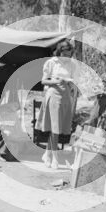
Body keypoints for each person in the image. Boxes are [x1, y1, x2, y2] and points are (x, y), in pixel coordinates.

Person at [36, 39, 75, 169]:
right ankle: (55, 158)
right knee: (55, 128)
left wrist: (70, 82)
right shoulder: (51, 63)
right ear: (60, 52)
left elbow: (74, 80)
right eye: (65, 54)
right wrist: (56, 81)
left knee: (58, 128)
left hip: (66, 97)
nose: (67, 57)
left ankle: (47, 154)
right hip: (53, 95)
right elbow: (43, 81)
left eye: (69, 55)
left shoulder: (72, 64)